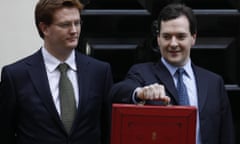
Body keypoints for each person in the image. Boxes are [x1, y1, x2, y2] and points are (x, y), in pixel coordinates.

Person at [110, 3, 235, 144]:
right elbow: (117, 93)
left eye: (181, 36)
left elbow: (226, 135)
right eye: (167, 36)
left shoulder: (214, 82)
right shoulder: (142, 73)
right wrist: (139, 93)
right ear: (158, 39)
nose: (173, 43)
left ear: (193, 38)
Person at [0, 0, 113, 144]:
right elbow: (4, 134)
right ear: (44, 28)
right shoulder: (16, 76)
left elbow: (108, 130)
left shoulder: (100, 72)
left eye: (77, 23)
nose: (74, 30)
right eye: (65, 25)